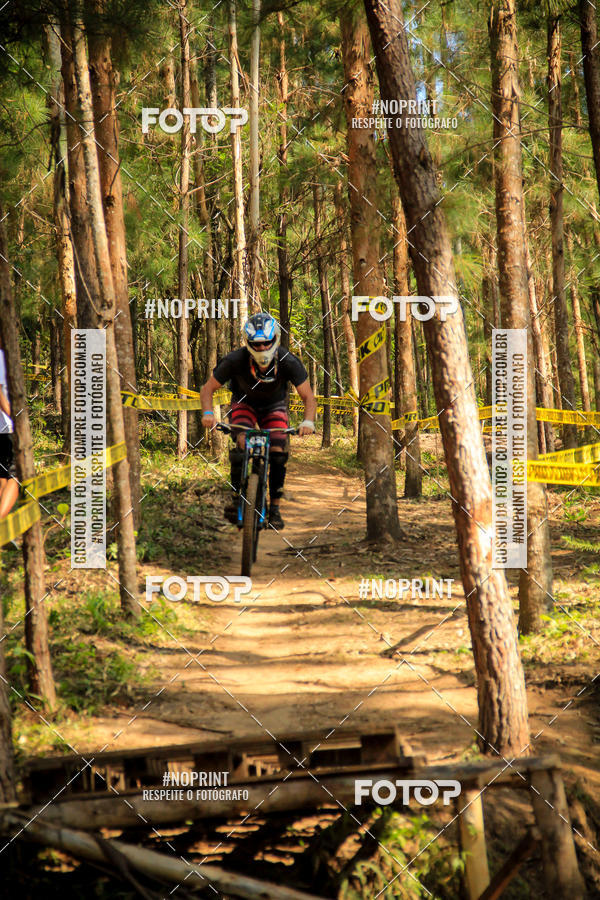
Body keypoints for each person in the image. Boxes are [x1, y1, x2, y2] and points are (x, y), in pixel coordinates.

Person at [201, 313, 317, 529]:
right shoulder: (235, 360)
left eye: (266, 343)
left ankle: (274, 508)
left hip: (274, 407)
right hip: (244, 404)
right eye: (257, 344)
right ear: (248, 343)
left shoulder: (288, 361)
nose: (262, 348)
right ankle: (237, 498)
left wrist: (308, 421)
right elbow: (207, 389)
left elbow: (308, 396)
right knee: (242, 442)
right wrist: (208, 413)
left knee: (278, 453)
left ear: (275, 341)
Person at [0, 347, 18, 519]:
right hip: (5, 427)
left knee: (3, 477)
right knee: (16, 476)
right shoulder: (1, 357)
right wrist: (14, 417)